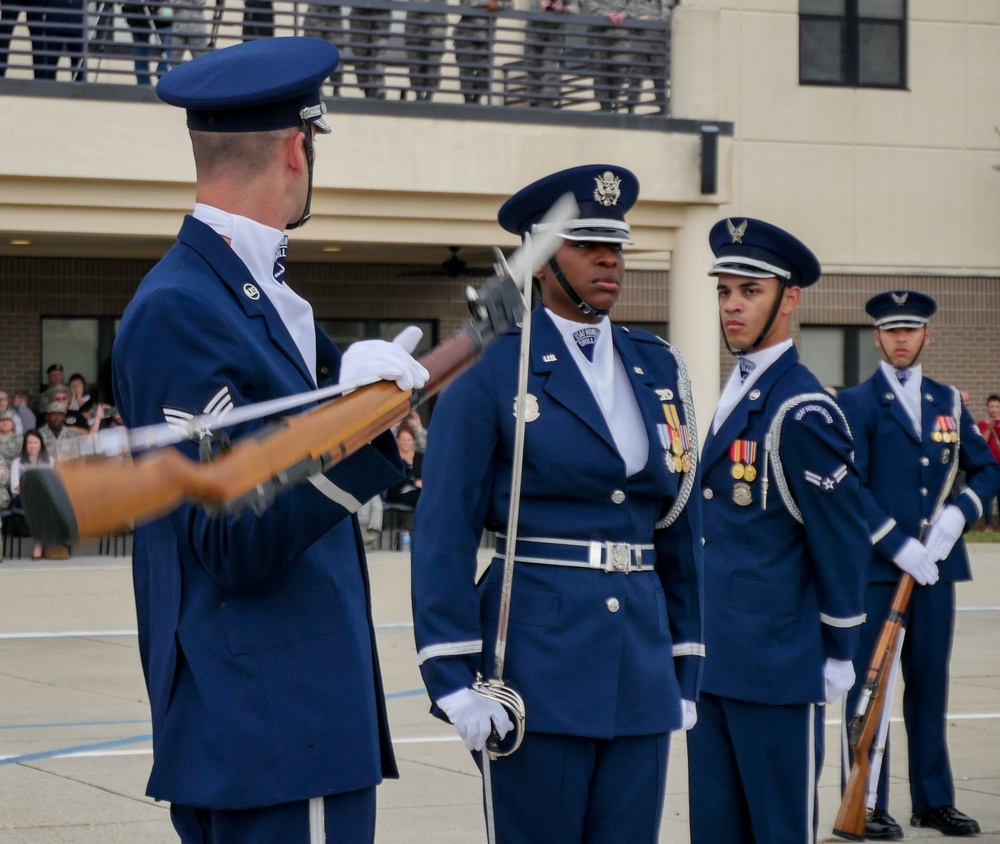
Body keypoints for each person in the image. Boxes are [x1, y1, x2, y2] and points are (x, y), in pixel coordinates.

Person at [115, 37, 428, 843]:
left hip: (280, 724)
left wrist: (365, 408)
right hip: (273, 723)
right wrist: (364, 439)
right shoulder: (183, 307)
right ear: (298, 147)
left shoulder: (258, 296)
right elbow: (231, 538)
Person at [411, 164, 704, 843]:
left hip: (639, 662)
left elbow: (681, 524)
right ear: (541, 260)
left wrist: (687, 658)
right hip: (534, 666)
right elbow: (444, 530)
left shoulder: (658, 367)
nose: (609, 258)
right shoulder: (494, 367)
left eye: (617, 245)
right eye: (585, 244)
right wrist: (451, 674)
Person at [687, 217, 869, 844]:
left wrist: (841, 647)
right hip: (716, 658)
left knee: (776, 829)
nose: (732, 305)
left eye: (750, 291)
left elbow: (841, 537)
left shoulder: (802, 407)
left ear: (789, 298)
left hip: (774, 664)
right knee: (715, 829)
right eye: (724, 291)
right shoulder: (740, 389)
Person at [837, 291, 1000, 840]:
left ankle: (933, 800)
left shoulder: (949, 403)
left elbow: (988, 472)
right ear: (877, 338)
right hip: (881, 571)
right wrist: (893, 542)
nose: (901, 339)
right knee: (871, 688)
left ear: (927, 336)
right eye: (891, 331)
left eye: (911, 330)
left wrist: (959, 514)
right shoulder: (856, 404)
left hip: (937, 572)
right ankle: (867, 801)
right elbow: (848, 487)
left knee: (929, 687)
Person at [453, 0, 511, 104]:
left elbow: (510, 4)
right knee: (466, 71)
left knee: (485, 71)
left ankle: (476, 101)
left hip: (486, 36)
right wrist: (485, 3)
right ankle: (468, 101)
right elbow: (465, 3)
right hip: (466, 35)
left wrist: (498, 5)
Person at [522, 0, 578, 108]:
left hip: (554, 36)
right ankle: (534, 105)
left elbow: (576, 8)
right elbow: (529, 12)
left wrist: (563, 9)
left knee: (550, 69)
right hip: (534, 35)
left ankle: (547, 103)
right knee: (532, 68)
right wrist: (540, 7)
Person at [10, 430, 53, 560]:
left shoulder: (49, 461)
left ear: (41, 445)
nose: (32, 445)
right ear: (25, 445)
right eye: (29, 442)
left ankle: (43, 543)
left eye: (35, 442)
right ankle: (39, 544)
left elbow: (53, 484)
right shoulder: (18, 462)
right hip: (22, 497)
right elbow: (14, 487)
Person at [403, 0, 446, 101]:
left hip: (436, 11)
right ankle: (419, 95)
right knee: (414, 58)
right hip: (414, 13)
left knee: (434, 57)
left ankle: (429, 96)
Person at [349, 1, 390, 99]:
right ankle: (367, 88)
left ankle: (377, 86)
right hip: (359, 9)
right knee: (360, 51)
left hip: (382, 9)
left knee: (379, 48)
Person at [304, 0, 344, 96]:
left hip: (334, 9)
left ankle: (336, 87)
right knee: (313, 49)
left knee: (336, 47)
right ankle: (316, 87)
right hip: (316, 9)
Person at [977, 393, 1000, 531]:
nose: (994, 409)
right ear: (987, 408)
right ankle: (988, 525)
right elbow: (982, 443)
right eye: (991, 406)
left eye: (997, 406)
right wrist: (989, 429)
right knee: (988, 497)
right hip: (989, 465)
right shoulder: (982, 424)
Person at [385, 425, 423, 509]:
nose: (406, 443)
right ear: (397, 440)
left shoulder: (421, 457)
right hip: (398, 492)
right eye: (403, 440)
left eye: (409, 440)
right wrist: (413, 482)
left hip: (419, 491)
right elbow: (395, 478)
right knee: (420, 499)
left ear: (413, 441)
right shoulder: (392, 459)